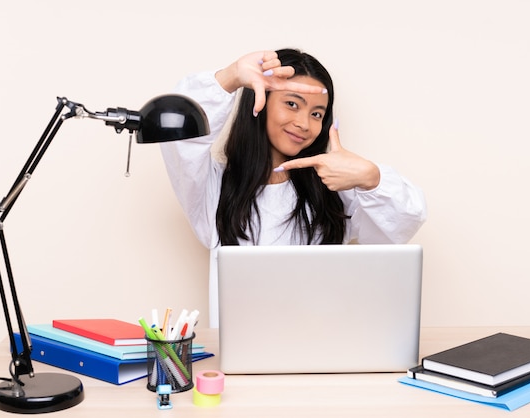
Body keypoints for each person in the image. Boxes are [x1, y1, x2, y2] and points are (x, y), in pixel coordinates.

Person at [160, 49, 426, 327]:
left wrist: (371, 177)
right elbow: (180, 136)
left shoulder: (335, 189)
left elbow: (404, 222)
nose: (303, 124)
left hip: (323, 346)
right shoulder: (215, 189)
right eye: (292, 104)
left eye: (317, 113)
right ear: (259, 100)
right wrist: (231, 77)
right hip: (244, 356)